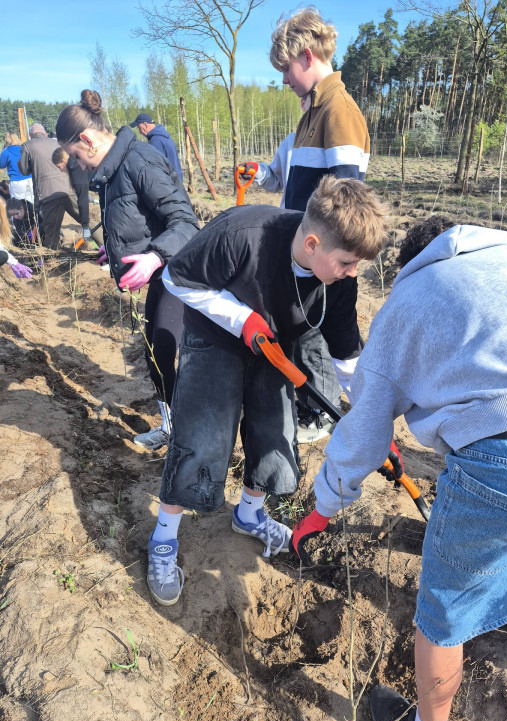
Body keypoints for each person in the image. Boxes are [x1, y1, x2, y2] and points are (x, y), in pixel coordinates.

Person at [291, 216, 507, 721]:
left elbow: (364, 435)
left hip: (506, 457)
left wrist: (323, 507)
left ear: (414, 261)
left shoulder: (411, 296)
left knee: (442, 614)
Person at [144, 176, 399, 607]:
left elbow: (347, 358)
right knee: (201, 438)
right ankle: (163, 537)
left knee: (274, 432)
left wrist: (373, 421)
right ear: (314, 243)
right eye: (347, 262)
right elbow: (177, 279)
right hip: (216, 339)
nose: (352, 273)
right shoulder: (241, 235)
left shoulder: (339, 282)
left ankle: (249, 513)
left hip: (276, 348)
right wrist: (241, 319)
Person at [56, 90, 199, 450]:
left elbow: (185, 223)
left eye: (75, 156)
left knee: (164, 349)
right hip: (162, 273)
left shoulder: (140, 161)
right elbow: (137, 218)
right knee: (156, 353)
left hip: (179, 273)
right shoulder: (113, 170)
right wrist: (116, 248)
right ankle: (172, 427)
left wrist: (153, 257)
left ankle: (187, 434)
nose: (80, 165)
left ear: (86, 140)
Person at [268, 7, 371, 444]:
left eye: (287, 69)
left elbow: (347, 204)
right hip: (311, 255)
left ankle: (367, 416)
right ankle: (321, 408)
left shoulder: (339, 112)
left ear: (307, 56)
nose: (285, 80)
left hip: (328, 258)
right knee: (313, 333)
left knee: (342, 339)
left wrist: (332, 265)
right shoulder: (313, 111)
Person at [238, 95, 310, 208]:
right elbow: (276, 181)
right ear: (303, 104)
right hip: (290, 220)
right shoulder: (291, 142)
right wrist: (257, 171)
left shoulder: (337, 145)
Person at [18, 123, 82, 250]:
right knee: (87, 220)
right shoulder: (58, 143)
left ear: (30, 136)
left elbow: (24, 170)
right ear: (45, 133)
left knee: (51, 233)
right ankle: (106, 243)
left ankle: (52, 263)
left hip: (48, 194)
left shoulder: (27, 145)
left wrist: (21, 163)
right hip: (68, 189)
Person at [52, 147, 103, 247]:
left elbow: (82, 200)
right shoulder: (74, 162)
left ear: (63, 160)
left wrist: (85, 225)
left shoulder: (75, 168)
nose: (60, 170)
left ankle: (106, 249)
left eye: (59, 167)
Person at [129, 113, 183, 181]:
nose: (140, 132)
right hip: (177, 179)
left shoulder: (156, 140)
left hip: (170, 183)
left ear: (145, 124)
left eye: (139, 127)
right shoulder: (165, 136)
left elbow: (157, 167)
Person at [0, 130, 33, 203]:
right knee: (32, 203)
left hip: (16, 181)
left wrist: (3, 149)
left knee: (18, 205)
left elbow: (1, 165)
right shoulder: (25, 148)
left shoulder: (6, 151)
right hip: (29, 179)